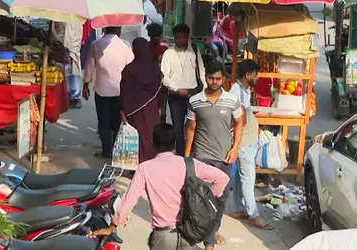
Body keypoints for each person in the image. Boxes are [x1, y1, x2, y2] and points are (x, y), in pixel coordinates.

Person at [89, 123, 229, 250]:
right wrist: (206, 198)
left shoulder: (145, 169)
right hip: (189, 233)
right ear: (174, 144)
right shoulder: (189, 164)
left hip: (162, 235)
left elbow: (128, 202)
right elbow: (222, 178)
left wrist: (111, 227)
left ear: (153, 143)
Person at [184, 61, 243, 250]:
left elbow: (240, 123)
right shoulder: (195, 101)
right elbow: (191, 129)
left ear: (223, 79)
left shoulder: (232, 101)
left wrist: (235, 148)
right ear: (205, 77)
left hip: (225, 157)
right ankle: (205, 240)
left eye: (218, 78)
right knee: (198, 197)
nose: (215, 81)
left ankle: (212, 231)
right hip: (202, 157)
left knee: (220, 199)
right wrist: (186, 156)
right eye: (211, 78)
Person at [228, 60, 272, 230]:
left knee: (240, 177)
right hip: (244, 143)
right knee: (248, 179)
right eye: (255, 74)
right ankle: (254, 214)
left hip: (248, 141)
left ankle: (239, 208)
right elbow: (238, 119)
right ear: (247, 75)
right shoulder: (236, 91)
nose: (257, 77)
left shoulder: (244, 89)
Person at [83, 26, 134, 159]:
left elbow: (89, 66)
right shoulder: (125, 45)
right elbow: (131, 66)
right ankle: (116, 150)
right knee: (118, 121)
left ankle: (106, 150)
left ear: (104, 29)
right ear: (119, 31)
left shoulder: (96, 44)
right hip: (120, 91)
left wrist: (85, 84)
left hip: (102, 90)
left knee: (103, 122)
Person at [161, 23, 206, 155]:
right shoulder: (168, 53)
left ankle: (195, 153)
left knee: (195, 125)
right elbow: (164, 77)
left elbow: (201, 72)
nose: (180, 40)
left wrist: (205, 91)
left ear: (187, 37)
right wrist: (177, 88)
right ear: (174, 37)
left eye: (183, 37)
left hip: (193, 93)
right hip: (176, 95)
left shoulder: (195, 51)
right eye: (177, 37)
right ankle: (181, 155)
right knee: (178, 128)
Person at [120, 38, 165, 163]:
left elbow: (124, 92)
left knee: (136, 137)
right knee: (150, 136)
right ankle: (152, 163)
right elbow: (159, 90)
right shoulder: (155, 69)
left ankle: (135, 165)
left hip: (134, 111)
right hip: (152, 108)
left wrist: (123, 110)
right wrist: (159, 105)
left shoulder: (128, 70)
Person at [55, 22, 84, 109]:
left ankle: (76, 97)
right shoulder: (60, 13)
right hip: (62, 43)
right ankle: (66, 95)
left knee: (74, 71)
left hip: (73, 44)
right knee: (65, 72)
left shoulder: (76, 15)